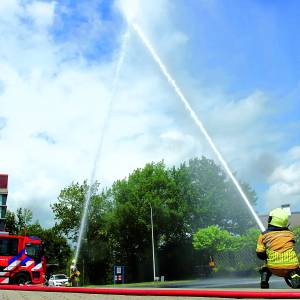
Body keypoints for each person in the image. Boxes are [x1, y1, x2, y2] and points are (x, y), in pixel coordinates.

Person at [256, 207, 300, 288]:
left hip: (273, 268)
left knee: (265, 268)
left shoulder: (263, 235)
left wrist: (267, 255)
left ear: (272, 220)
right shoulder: (290, 234)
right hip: (291, 266)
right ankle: (295, 277)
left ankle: (265, 277)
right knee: (296, 270)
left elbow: (260, 254)